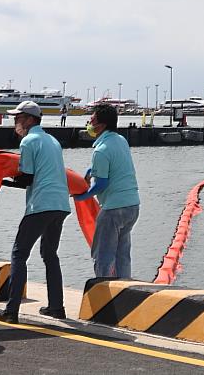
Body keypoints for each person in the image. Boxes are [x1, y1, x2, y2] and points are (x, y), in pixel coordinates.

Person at [0, 101, 70, 324]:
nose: (15, 122)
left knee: (19, 254)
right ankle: (57, 307)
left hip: (41, 205)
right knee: (50, 255)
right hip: (61, 205)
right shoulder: (52, 141)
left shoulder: (29, 141)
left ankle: (11, 310)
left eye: (18, 118)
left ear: (29, 119)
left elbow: (27, 178)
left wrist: (0, 180)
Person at [73, 103, 140, 278]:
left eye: (92, 119)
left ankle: (101, 291)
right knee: (122, 255)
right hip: (132, 207)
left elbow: (101, 184)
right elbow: (114, 166)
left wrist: (82, 197)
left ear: (101, 125)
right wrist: (91, 170)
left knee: (103, 255)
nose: (89, 122)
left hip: (113, 210)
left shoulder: (100, 150)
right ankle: (124, 290)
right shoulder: (120, 140)